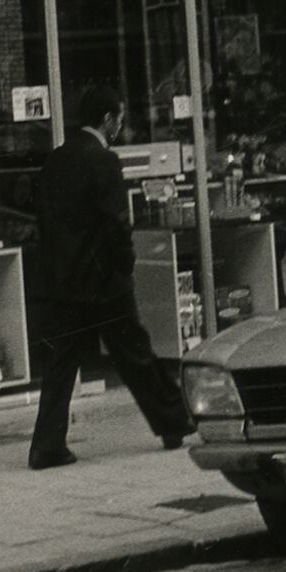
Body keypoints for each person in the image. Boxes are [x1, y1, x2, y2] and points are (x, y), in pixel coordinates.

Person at [28, 83, 190, 470]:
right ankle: (173, 422)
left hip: (64, 280)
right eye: (118, 119)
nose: (120, 126)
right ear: (106, 119)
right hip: (103, 281)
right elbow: (117, 223)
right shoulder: (104, 161)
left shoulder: (55, 161)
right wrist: (124, 265)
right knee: (135, 353)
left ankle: (46, 446)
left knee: (62, 364)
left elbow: (45, 223)